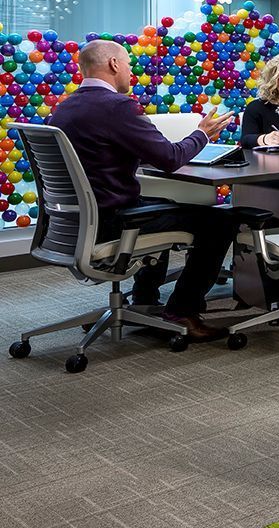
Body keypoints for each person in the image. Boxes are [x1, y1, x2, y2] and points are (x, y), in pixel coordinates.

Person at [49, 39, 235, 342]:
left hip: (83, 220)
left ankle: (144, 302)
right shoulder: (117, 106)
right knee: (221, 221)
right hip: (113, 220)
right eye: (127, 65)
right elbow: (170, 158)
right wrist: (202, 134)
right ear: (113, 65)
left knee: (162, 204)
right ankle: (182, 311)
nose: (129, 72)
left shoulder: (66, 107)